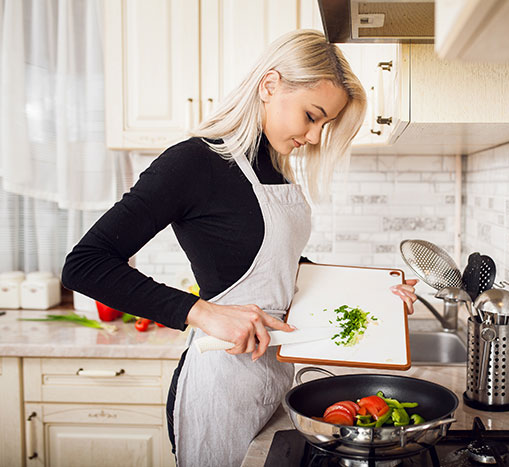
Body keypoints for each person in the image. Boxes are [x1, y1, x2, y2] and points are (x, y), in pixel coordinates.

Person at [61, 29, 418, 467]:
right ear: (270, 86)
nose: (314, 135)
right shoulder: (194, 162)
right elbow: (84, 264)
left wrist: (374, 295)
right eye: (312, 115)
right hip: (221, 385)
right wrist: (205, 313)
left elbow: (283, 267)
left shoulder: (275, 169)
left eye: (324, 125)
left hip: (274, 376)